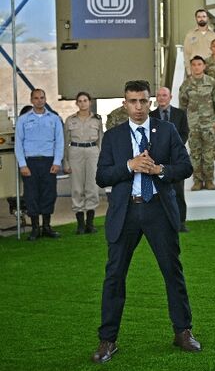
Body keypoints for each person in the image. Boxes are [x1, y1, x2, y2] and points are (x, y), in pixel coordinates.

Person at [91, 80, 200, 364]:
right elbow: (102, 176)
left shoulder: (167, 131)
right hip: (125, 213)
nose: (138, 107)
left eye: (142, 101)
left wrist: (160, 169)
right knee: (114, 276)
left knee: (172, 273)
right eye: (132, 101)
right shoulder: (113, 136)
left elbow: (186, 167)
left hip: (158, 211)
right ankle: (107, 340)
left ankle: (183, 331)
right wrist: (130, 166)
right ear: (125, 103)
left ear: (150, 102)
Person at [14, 88, 65, 240]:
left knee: (49, 194)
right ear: (31, 100)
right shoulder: (23, 120)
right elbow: (18, 143)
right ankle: (35, 228)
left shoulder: (54, 119)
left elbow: (60, 142)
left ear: (45, 99)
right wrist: (22, 164)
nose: (39, 100)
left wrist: (57, 162)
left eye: (42, 97)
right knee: (31, 195)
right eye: (36, 98)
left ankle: (47, 227)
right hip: (30, 162)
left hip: (49, 161)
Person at [150, 87, 191, 232]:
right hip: (158, 159)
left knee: (178, 191)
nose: (161, 98)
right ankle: (162, 222)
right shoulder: (151, 115)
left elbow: (185, 133)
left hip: (176, 159)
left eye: (164, 95)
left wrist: (173, 146)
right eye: (159, 95)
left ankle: (180, 222)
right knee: (159, 192)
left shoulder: (180, 114)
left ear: (170, 97)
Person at [179, 56, 215, 191]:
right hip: (193, 125)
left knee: (209, 154)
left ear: (204, 66)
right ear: (191, 67)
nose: (197, 67)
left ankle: (209, 180)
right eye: (194, 65)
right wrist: (185, 125)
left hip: (208, 124)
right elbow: (182, 107)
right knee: (195, 154)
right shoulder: (186, 85)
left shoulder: (212, 83)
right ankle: (197, 181)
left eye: (199, 64)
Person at [62, 91, 103, 234]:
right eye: (80, 101)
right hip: (75, 151)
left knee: (92, 187)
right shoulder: (70, 120)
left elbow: (100, 141)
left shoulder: (97, 120)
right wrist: (65, 162)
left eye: (85, 100)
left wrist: (102, 161)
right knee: (77, 187)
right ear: (76, 103)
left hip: (92, 152)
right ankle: (80, 224)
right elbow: (65, 142)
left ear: (90, 102)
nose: (83, 103)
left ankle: (90, 224)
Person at [182, 9, 215, 75]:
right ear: (196, 18)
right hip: (196, 69)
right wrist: (188, 70)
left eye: (203, 16)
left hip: (212, 68)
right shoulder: (190, 35)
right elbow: (186, 54)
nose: (201, 19)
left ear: (207, 18)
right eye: (199, 17)